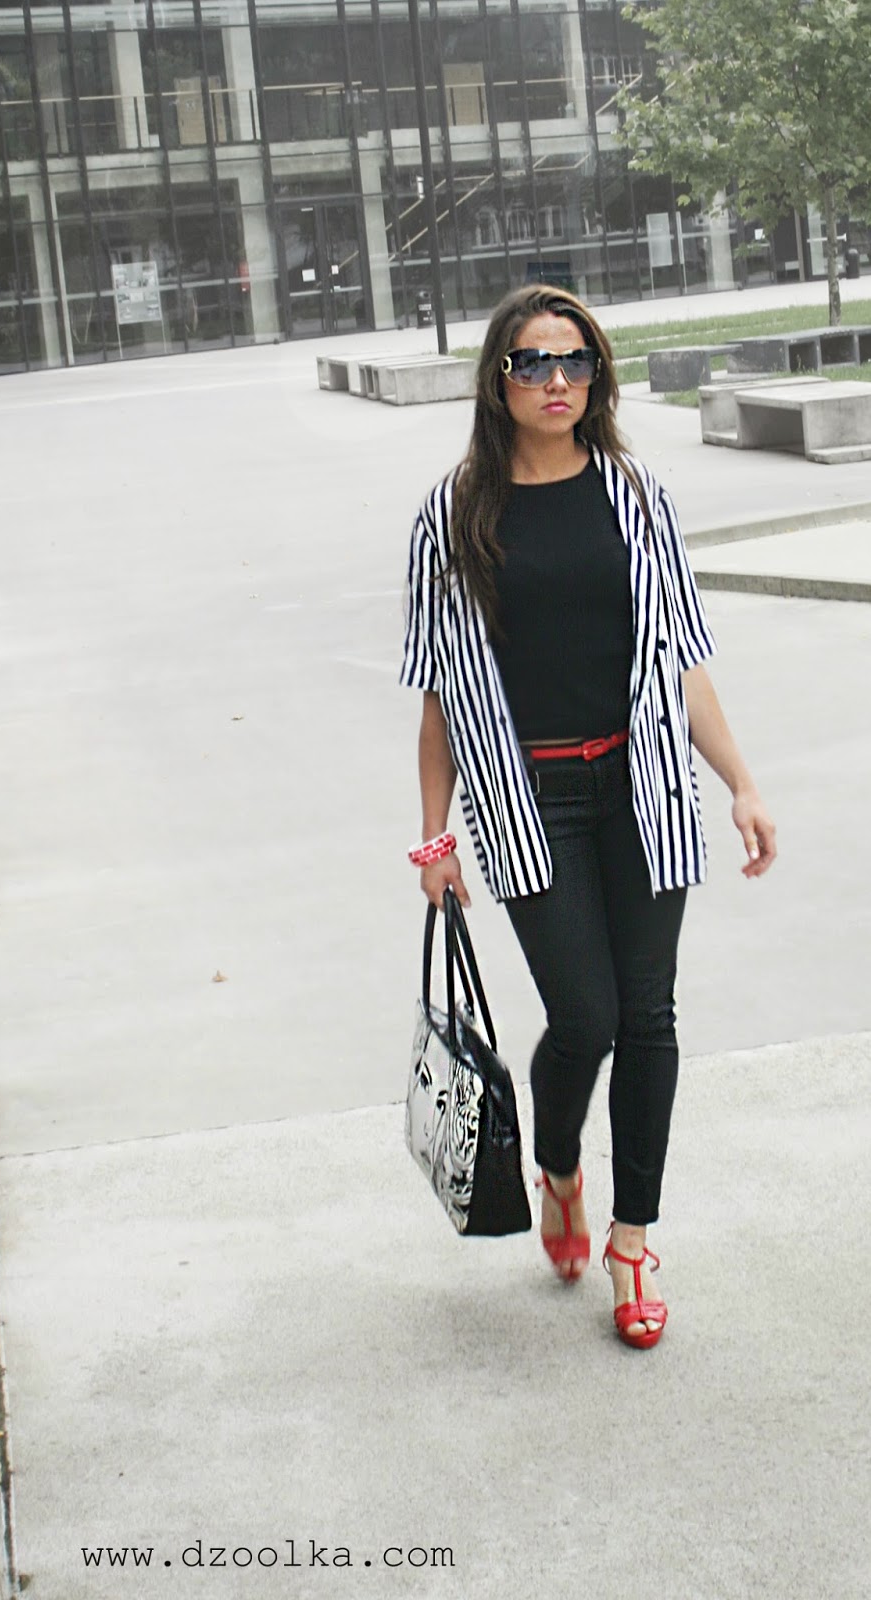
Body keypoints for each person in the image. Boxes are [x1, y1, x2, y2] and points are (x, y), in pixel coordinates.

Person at [400, 285, 777, 1350]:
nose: (556, 381)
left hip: (643, 786)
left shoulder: (636, 494)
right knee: (586, 1019)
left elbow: (682, 659)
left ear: (597, 375)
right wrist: (434, 837)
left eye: (575, 361)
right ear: (499, 379)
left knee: (648, 1015)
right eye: (532, 363)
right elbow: (439, 697)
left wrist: (741, 783)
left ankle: (632, 1241)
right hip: (529, 801)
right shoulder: (451, 516)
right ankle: (558, 1163)